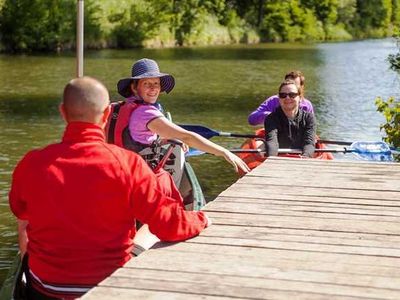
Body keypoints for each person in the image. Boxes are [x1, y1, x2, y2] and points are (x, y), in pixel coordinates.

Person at [9, 76, 210, 299]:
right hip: (108, 288)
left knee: (25, 218)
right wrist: (200, 219)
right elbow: (169, 224)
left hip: (45, 289)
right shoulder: (129, 164)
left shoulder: (32, 163)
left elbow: (20, 213)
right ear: (106, 115)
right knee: (150, 229)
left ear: (63, 113)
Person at [111, 58, 250, 176]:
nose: (153, 88)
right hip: (140, 173)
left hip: (122, 167)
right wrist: (225, 152)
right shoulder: (146, 113)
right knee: (177, 148)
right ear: (135, 88)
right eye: (146, 84)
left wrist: (167, 139)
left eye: (156, 84)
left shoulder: (124, 107)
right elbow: (187, 137)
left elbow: (138, 136)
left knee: (175, 142)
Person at [264, 79, 316, 157]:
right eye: (283, 95)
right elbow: (272, 142)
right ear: (279, 98)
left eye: (292, 95)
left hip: (301, 158)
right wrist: (272, 159)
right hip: (280, 158)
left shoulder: (309, 118)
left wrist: (305, 158)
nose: (287, 98)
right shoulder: (271, 118)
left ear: (300, 97)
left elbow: (309, 143)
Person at [248, 70, 314, 126]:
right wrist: (272, 116)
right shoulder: (273, 100)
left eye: (294, 86)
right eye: (288, 84)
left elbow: (311, 127)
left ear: (301, 88)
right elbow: (252, 119)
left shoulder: (307, 105)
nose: (288, 98)